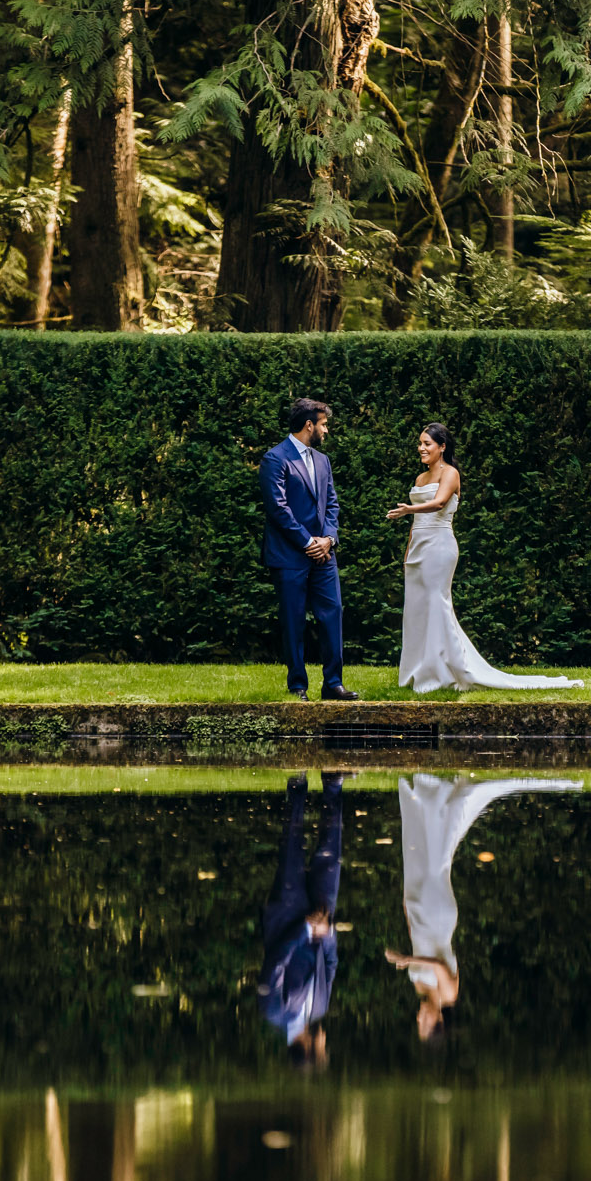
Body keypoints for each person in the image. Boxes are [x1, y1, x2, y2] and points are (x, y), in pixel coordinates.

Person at [388, 423, 586, 693]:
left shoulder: (451, 473)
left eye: (427, 444)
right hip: (418, 549)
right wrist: (408, 550)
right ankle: (421, 670)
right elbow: (418, 521)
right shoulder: (421, 479)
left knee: (437, 603)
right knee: (417, 608)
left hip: (439, 546)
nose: (421, 448)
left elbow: (439, 503)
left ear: (442, 446)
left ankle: (448, 670)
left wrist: (409, 508)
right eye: (420, 443)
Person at [386, 773, 581, 1041]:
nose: (419, 1018)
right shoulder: (448, 994)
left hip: (419, 915)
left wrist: (407, 910)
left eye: (419, 1022)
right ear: (438, 1020)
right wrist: (409, 960)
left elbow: (416, 942)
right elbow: (441, 966)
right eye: (424, 1024)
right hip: (439, 917)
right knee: (435, 866)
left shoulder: (419, 986)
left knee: (418, 860)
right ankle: (439, 797)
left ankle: (430, 797)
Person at [260, 398, 361, 702]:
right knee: (293, 622)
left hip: (325, 556)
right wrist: (307, 542)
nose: (326, 430)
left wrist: (329, 539)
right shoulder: (274, 459)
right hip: (290, 555)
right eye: (324, 424)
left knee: (332, 615)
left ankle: (333, 684)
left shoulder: (322, 461)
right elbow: (278, 509)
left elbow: (332, 504)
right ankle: (298, 686)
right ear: (309, 425)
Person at [260, 772, 345, 1069]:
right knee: (330, 853)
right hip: (322, 918)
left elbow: (276, 962)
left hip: (287, 914)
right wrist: (327, 931)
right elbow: (331, 964)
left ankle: (297, 785)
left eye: (322, 1049)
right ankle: (334, 784)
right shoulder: (319, 1008)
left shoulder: (274, 1012)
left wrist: (305, 928)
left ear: (307, 1047)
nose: (325, 1042)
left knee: (292, 849)